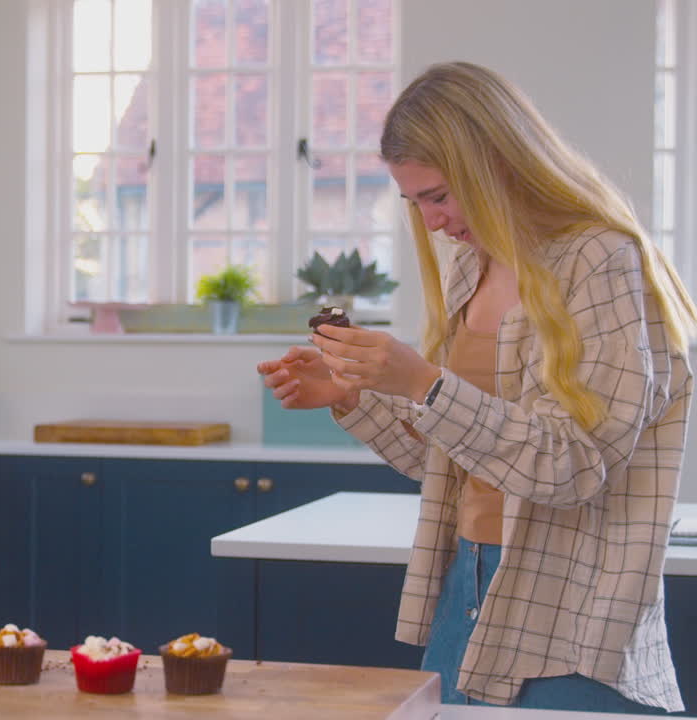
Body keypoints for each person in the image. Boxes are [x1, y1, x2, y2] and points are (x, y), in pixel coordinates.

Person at [259, 61, 696, 713]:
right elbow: (448, 460)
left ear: (497, 161)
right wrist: (351, 395)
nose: (432, 222)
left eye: (438, 195)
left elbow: (574, 467)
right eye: (415, 203)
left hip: (573, 607)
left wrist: (424, 382)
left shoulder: (600, 259)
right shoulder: (474, 266)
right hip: (466, 589)